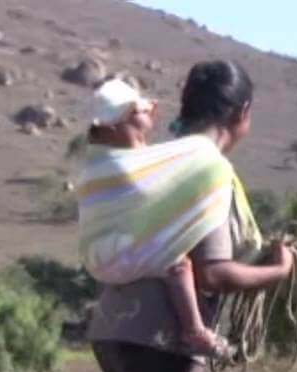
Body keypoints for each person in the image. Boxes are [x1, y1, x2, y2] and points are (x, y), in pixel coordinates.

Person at [88, 60, 294, 372]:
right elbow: (215, 274)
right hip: (159, 340)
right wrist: (278, 273)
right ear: (242, 113)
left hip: (114, 332)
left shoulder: (159, 157)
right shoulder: (208, 167)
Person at [77, 77, 227, 356]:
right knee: (177, 262)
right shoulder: (118, 164)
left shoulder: (116, 160)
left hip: (100, 255)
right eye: (137, 111)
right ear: (117, 123)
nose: (148, 113)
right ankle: (195, 331)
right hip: (113, 252)